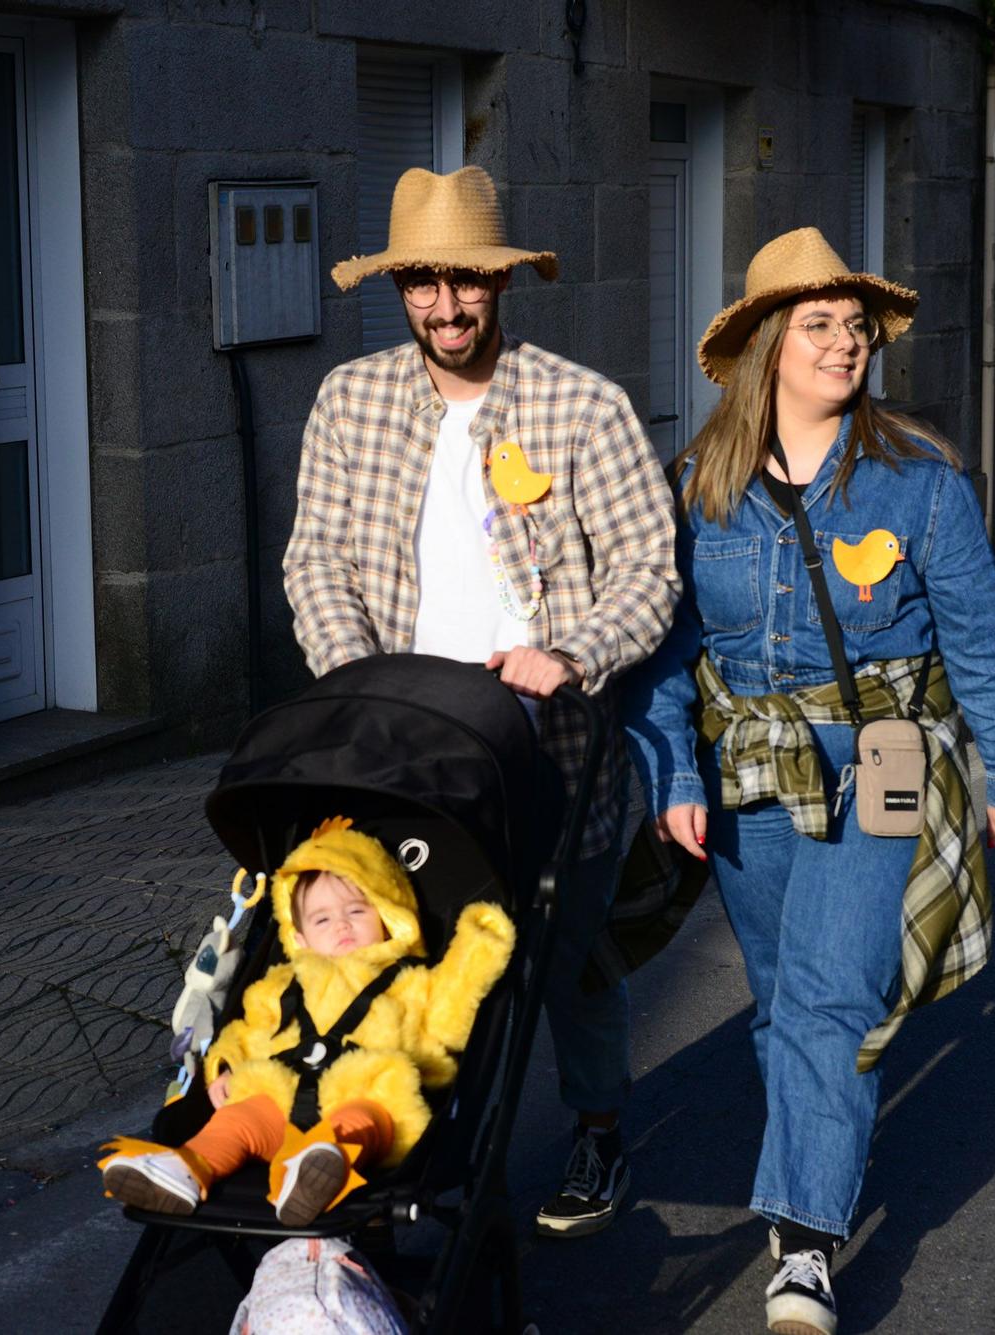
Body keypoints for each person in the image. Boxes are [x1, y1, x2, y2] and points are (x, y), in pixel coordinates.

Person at [622, 228, 995, 1335]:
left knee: (828, 996)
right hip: (747, 764)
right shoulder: (695, 488)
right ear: (765, 343)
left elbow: (981, 640)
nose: (845, 343)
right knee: (777, 999)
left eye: (855, 327)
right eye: (819, 325)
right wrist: (669, 770)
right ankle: (805, 1171)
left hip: (887, 755)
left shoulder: (917, 481)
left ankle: (803, 1244)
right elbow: (662, 654)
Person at [283, 166, 680, 1237]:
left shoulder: (578, 406)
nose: (445, 309)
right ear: (398, 286)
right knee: (406, 964)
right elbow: (313, 558)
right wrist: (353, 682)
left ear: (500, 284)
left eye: (466, 286)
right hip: (400, 744)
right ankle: (428, 1181)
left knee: (559, 958)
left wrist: (573, 652)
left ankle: (597, 1128)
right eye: (422, 285)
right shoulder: (349, 400)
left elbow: (650, 568)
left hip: (548, 743)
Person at [98, 819, 515, 1226]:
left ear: (389, 916)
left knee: (364, 1116)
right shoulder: (282, 984)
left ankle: (316, 1168)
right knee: (236, 1119)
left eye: (356, 909)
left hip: (360, 1095)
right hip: (278, 1098)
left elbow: (450, 1008)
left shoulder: (411, 981)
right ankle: (188, 1168)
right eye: (322, 920)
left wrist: (478, 946)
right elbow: (249, 1032)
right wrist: (226, 1068)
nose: (342, 924)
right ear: (298, 939)